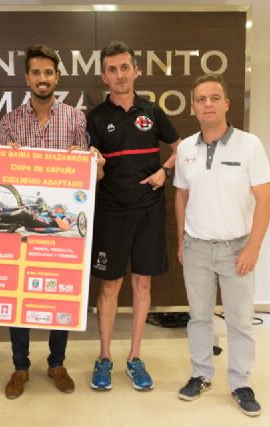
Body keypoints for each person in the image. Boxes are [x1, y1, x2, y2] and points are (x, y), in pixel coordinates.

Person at [0, 44, 104, 399]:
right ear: (27, 78)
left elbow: (87, 174)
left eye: (48, 73)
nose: (42, 79)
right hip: (24, 226)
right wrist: (6, 159)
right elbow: (1, 175)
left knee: (61, 292)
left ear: (57, 77)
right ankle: (20, 366)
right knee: (19, 293)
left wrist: (85, 159)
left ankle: (57, 363)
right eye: (36, 73)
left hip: (59, 225)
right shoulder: (10, 121)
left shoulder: (76, 118)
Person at [174, 73, 270, 417]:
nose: (208, 105)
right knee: (199, 318)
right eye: (201, 99)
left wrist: (253, 248)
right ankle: (201, 374)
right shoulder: (185, 148)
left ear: (227, 104)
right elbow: (181, 196)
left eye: (214, 98)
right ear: (193, 106)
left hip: (236, 249)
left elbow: (265, 199)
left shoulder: (250, 145)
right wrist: (181, 240)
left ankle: (241, 383)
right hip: (197, 248)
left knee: (240, 321)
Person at [87, 41, 180, 391]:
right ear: (104, 77)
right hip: (111, 212)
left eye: (125, 67)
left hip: (149, 211)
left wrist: (164, 172)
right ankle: (104, 357)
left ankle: (135, 357)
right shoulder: (96, 118)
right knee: (110, 285)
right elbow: (94, 172)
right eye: (112, 69)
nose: (120, 75)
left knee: (143, 283)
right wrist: (96, 166)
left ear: (136, 71)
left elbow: (180, 147)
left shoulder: (152, 111)